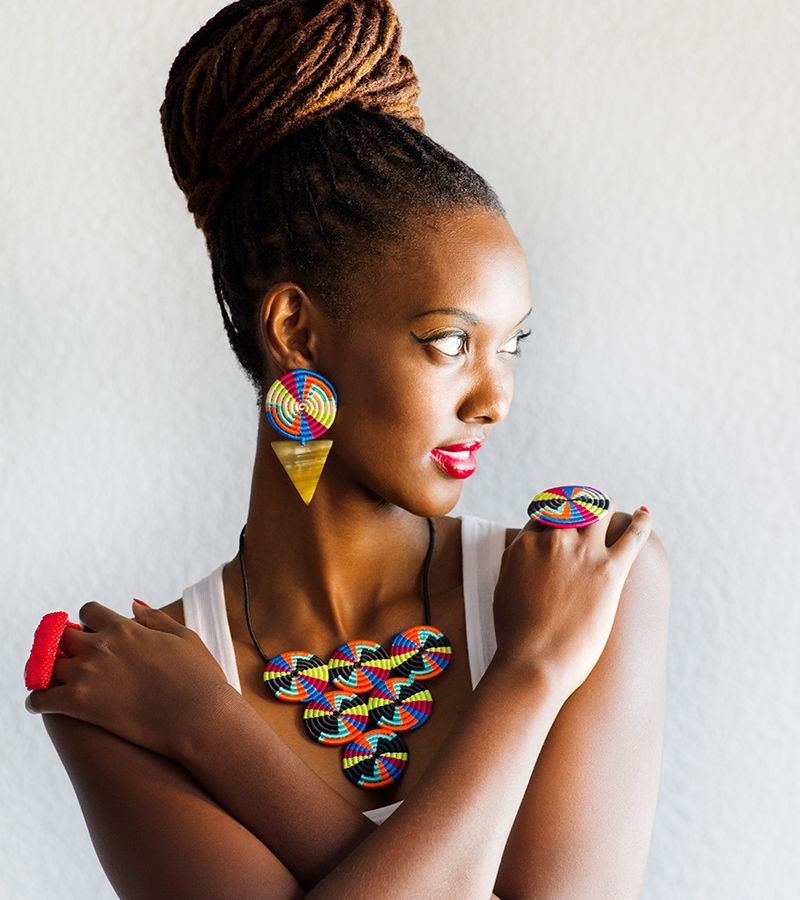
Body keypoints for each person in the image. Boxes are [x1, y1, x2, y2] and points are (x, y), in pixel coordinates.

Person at [26, 1, 671, 897]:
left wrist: (217, 731)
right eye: (448, 342)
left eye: (510, 344)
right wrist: (531, 673)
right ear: (296, 330)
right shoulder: (118, 688)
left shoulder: (587, 584)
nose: (495, 400)